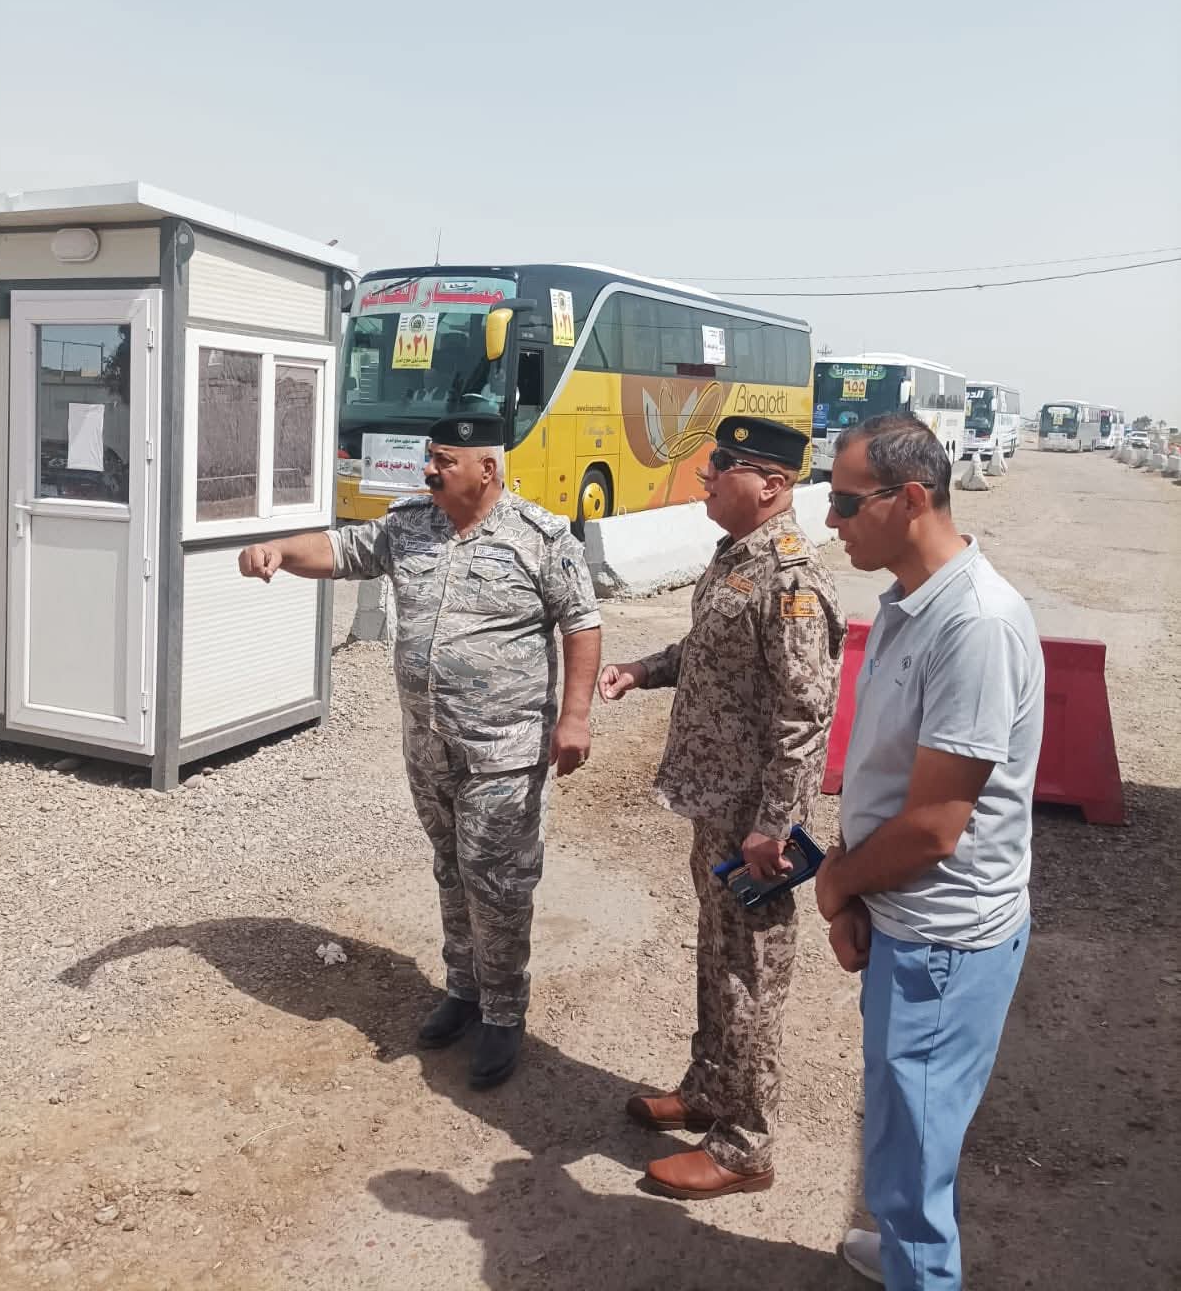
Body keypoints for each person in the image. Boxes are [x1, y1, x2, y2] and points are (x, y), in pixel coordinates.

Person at [238, 413, 602, 1089]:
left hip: (504, 748)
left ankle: (504, 1011)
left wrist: (575, 718)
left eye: (444, 461)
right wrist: (279, 550)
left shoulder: (540, 537)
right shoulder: (410, 526)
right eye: (430, 458)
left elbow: (582, 624)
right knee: (451, 867)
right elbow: (340, 550)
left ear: (486, 470)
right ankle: (463, 989)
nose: (429, 470)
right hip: (429, 743)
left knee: (498, 881)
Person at [815, 414, 1044, 1290]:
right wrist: (856, 890)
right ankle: (908, 1253)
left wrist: (838, 883)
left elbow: (937, 825)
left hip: (942, 940)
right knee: (901, 1128)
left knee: (912, 1159)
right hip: (906, 915)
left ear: (910, 498)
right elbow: (886, 777)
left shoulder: (975, 625)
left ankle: (920, 1269)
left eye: (846, 502)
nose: (831, 519)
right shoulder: (908, 602)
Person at [599, 416, 845, 1199]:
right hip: (718, 803)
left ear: (770, 485)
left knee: (751, 973)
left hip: (754, 821)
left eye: (722, 467)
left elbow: (805, 716)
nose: (705, 479)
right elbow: (709, 654)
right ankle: (709, 1089)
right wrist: (643, 670)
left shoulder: (791, 579)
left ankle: (746, 1144)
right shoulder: (738, 558)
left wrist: (776, 825)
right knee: (718, 953)